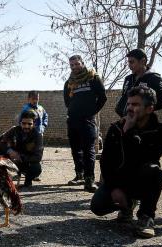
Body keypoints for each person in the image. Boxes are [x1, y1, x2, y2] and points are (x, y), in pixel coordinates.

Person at [91, 86, 162, 238]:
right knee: (97, 206)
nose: (129, 108)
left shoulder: (161, 132)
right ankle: (127, 206)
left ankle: (146, 217)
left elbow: (146, 157)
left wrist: (129, 133)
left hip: (141, 180)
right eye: (128, 104)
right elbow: (106, 162)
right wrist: (114, 187)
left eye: (135, 105)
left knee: (156, 171)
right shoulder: (116, 128)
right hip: (119, 180)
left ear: (149, 109)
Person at [63, 55, 107, 192]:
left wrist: (91, 111)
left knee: (89, 150)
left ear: (82, 63)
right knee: (76, 149)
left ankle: (89, 180)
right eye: (72, 65)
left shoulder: (93, 78)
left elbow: (102, 97)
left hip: (87, 120)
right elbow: (67, 101)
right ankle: (79, 175)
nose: (75, 67)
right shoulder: (69, 82)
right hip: (73, 120)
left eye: (77, 64)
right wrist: (73, 110)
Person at [0, 111, 43, 187]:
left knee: (36, 168)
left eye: (29, 124)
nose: (26, 126)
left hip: (25, 161)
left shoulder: (38, 136)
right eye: (24, 123)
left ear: (34, 124)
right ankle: (2, 177)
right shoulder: (14, 130)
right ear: (20, 123)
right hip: (11, 159)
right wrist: (9, 151)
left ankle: (28, 180)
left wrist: (20, 157)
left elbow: (38, 157)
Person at [115, 48, 162, 117]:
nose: (129, 65)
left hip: (142, 124)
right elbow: (124, 97)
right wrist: (119, 109)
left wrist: (142, 111)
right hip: (125, 120)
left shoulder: (153, 78)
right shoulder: (128, 79)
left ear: (142, 61)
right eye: (128, 62)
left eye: (132, 62)